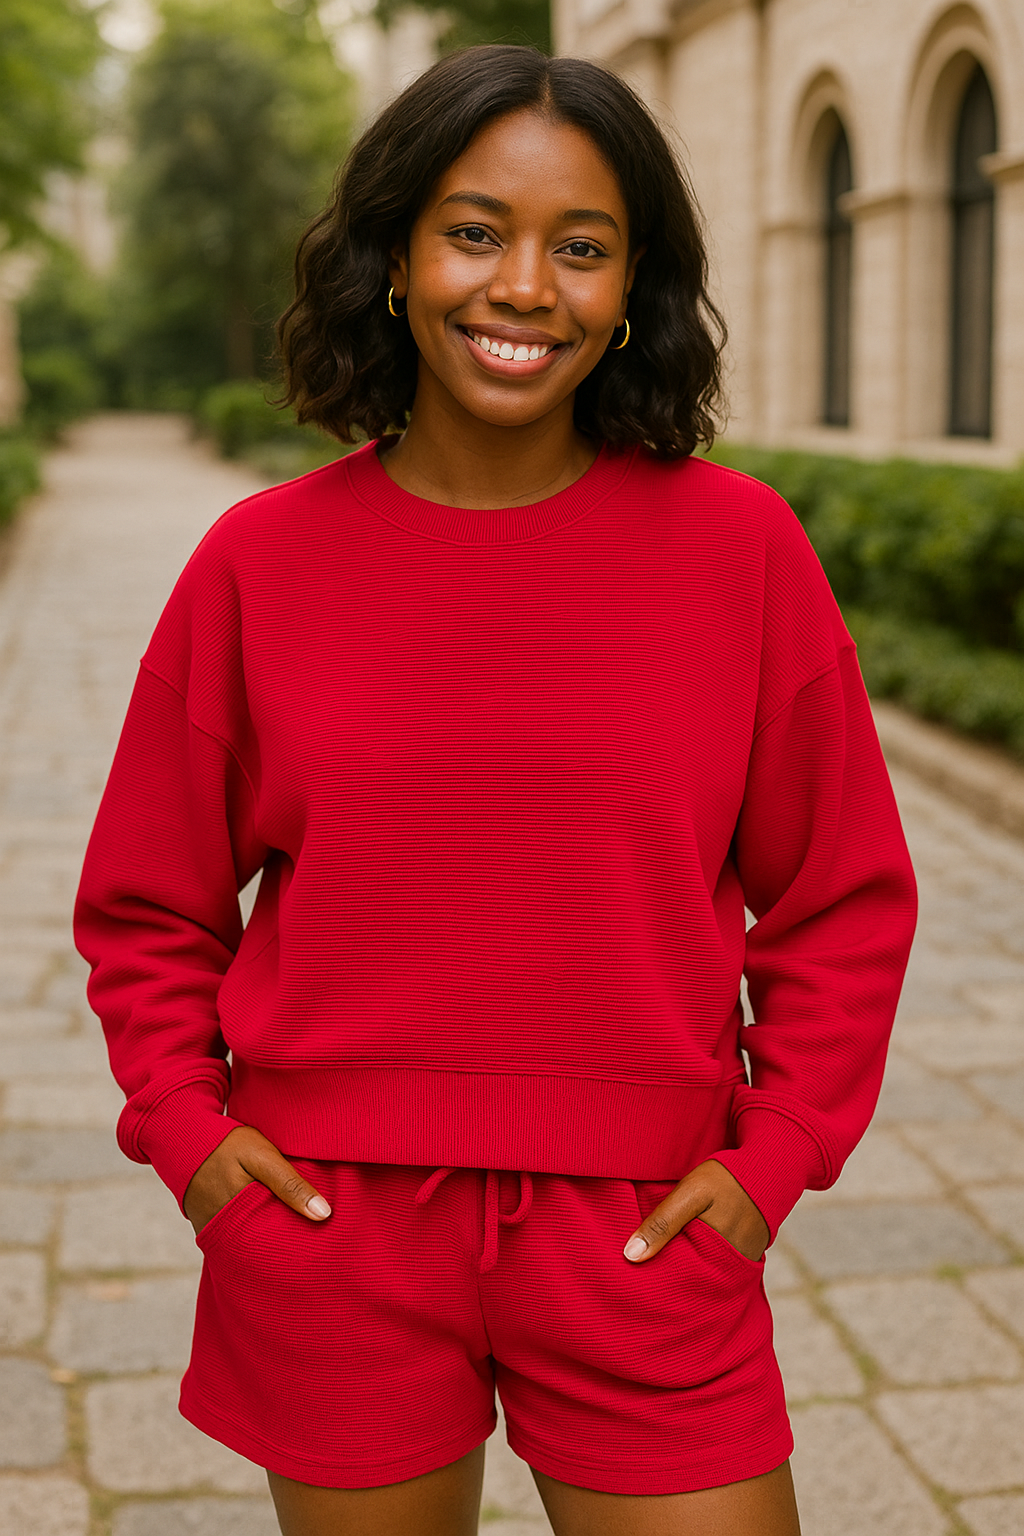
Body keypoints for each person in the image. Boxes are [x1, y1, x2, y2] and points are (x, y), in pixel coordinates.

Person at [74, 43, 917, 1536]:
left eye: (579, 248)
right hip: (333, 1235)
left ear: (630, 285)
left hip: (649, 1237)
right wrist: (195, 1144)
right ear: (395, 258)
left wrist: (773, 1158)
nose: (524, 286)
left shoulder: (742, 554)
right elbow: (148, 905)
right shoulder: (257, 568)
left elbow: (844, 895)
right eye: (476, 231)